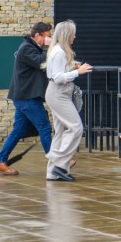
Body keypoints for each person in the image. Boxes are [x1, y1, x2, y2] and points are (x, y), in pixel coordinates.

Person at [0, 22, 54, 176]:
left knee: (18, 130)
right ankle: (57, 161)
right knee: (45, 126)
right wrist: (51, 47)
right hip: (27, 97)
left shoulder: (32, 47)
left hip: (24, 96)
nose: (49, 39)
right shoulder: (26, 48)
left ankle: (0, 161)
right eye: (47, 36)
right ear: (37, 35)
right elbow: (42, 63)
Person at [45, 20, 93, 182]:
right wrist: (78, 72)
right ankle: (59, 162)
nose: (75, 36)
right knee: (76, 127)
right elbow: (58, 78)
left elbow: (58, 72)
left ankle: (52, 172)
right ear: (67, 35)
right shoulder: (59, 52)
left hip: (58, 93)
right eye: (73, 33)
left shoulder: (58, 51)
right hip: (59, 94)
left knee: (61, 131)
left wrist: (73, 67)